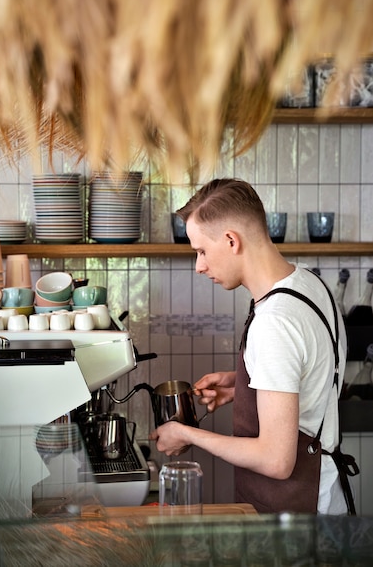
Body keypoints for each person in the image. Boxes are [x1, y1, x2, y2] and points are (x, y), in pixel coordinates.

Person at [149, 178, 349, 514]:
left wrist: (187, 434)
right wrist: (242, 385)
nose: (198, 266)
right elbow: (310, 373)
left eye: (201, 251)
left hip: (299, 518)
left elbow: (276, 460)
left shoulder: (274, 322)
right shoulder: (310, 285)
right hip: (326, 497)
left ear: (231, 240)